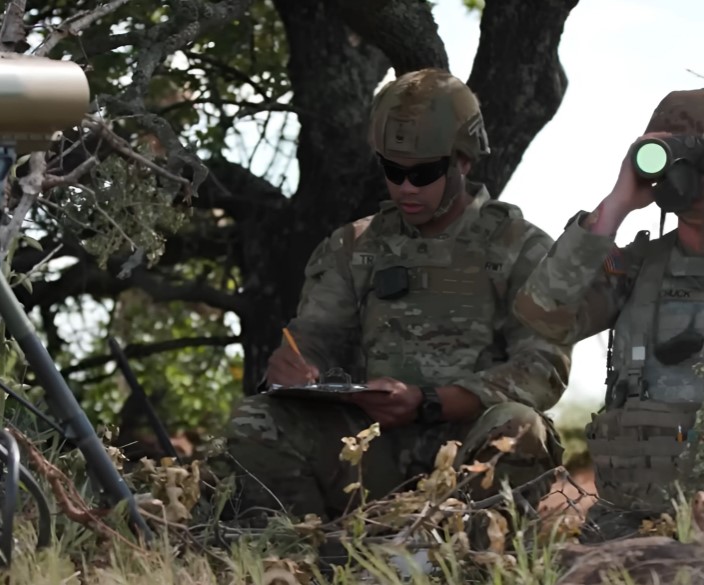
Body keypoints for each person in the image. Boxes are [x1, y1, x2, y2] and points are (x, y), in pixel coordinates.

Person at [216, 68, 571, 527]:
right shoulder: (353, 246)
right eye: (392, 170)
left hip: (470, 446)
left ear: (463, 161)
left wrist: (430, 400)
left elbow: (543, 367)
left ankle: (471, 562)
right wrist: (297, 364)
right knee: (256, 420)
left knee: (521, 426)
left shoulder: (521, 247)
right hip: (367, 453)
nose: (405, 187)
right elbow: (315, 337)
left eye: (423, 172)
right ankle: (299, 557)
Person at [511, 88, 704, 541]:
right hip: (628, 523)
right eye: (677, 160)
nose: (696, 180)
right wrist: (614, 207)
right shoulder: (632, 266)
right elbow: (542, 313)